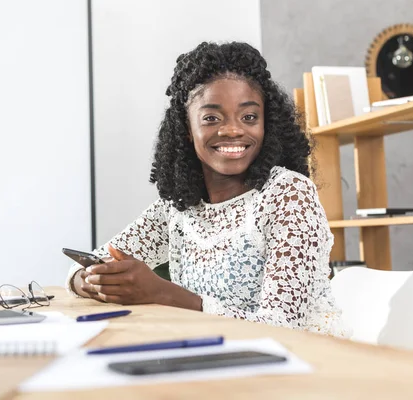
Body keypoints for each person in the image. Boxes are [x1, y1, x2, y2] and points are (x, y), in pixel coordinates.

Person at [65, 41, 347, 336]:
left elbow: (283, 326)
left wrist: (164, 293)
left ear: (267, 124)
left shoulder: (289, 195)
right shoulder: (179, 209)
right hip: (222, 359)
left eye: (249, 117)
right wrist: (88, 279)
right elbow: (89, 262)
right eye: (211, 118)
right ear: (187, 128)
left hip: (308, 363)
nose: (233, 130)